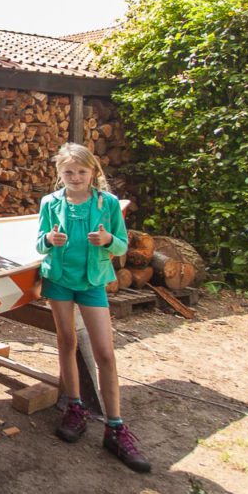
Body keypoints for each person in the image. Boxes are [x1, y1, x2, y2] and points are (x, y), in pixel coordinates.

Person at [37, 142, 150, 473]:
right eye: (68, 172)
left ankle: (115, 426)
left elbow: (122, 243)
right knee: (66, 342)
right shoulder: (50, 202)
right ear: (59, 173)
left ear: (93, 173)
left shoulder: (108, 204)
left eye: (81, 171)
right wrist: (48, 242)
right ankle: (75, 407)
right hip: (58, 280)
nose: (75, 177)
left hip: (92, 283)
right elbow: (40, 239)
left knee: (105, 353)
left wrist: (107, 242)